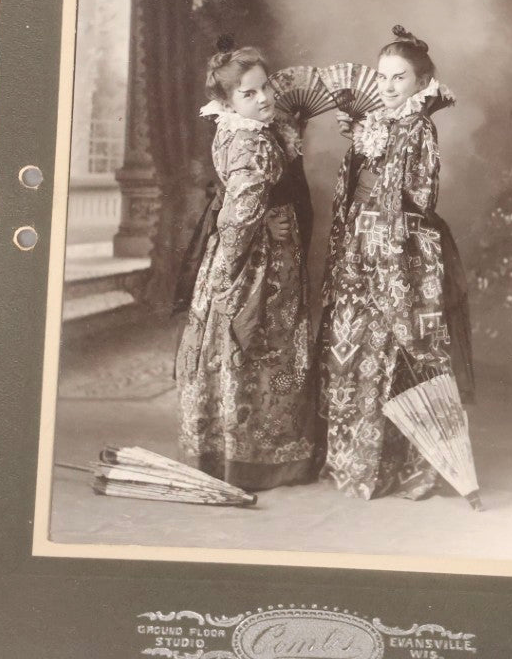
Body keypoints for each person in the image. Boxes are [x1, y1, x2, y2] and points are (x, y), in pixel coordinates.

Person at [318, 25, 476, 500]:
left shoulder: (420, 128)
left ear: (421, 82)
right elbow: (355, 185)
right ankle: (358, 461)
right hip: (359, 246)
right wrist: (362, 144)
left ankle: (406, 466)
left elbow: (419, 198)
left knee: (400, 347)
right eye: (382, 77)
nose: (387, 87)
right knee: (357, 347)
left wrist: (381, 224)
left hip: (398, 253)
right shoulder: (378, 122)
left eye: (399, 78)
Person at [175, 37, 315, 491]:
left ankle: (231, 449)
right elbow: (240, 215)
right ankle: (255, 458)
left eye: (265, 87)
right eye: (249, 93)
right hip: (260, 261)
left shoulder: (244, 129)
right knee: (257, 341)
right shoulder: (248, 141)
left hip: (262, 248)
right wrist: (229, 271)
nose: (264, 98)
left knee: (243, 345)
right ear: (228, 101)